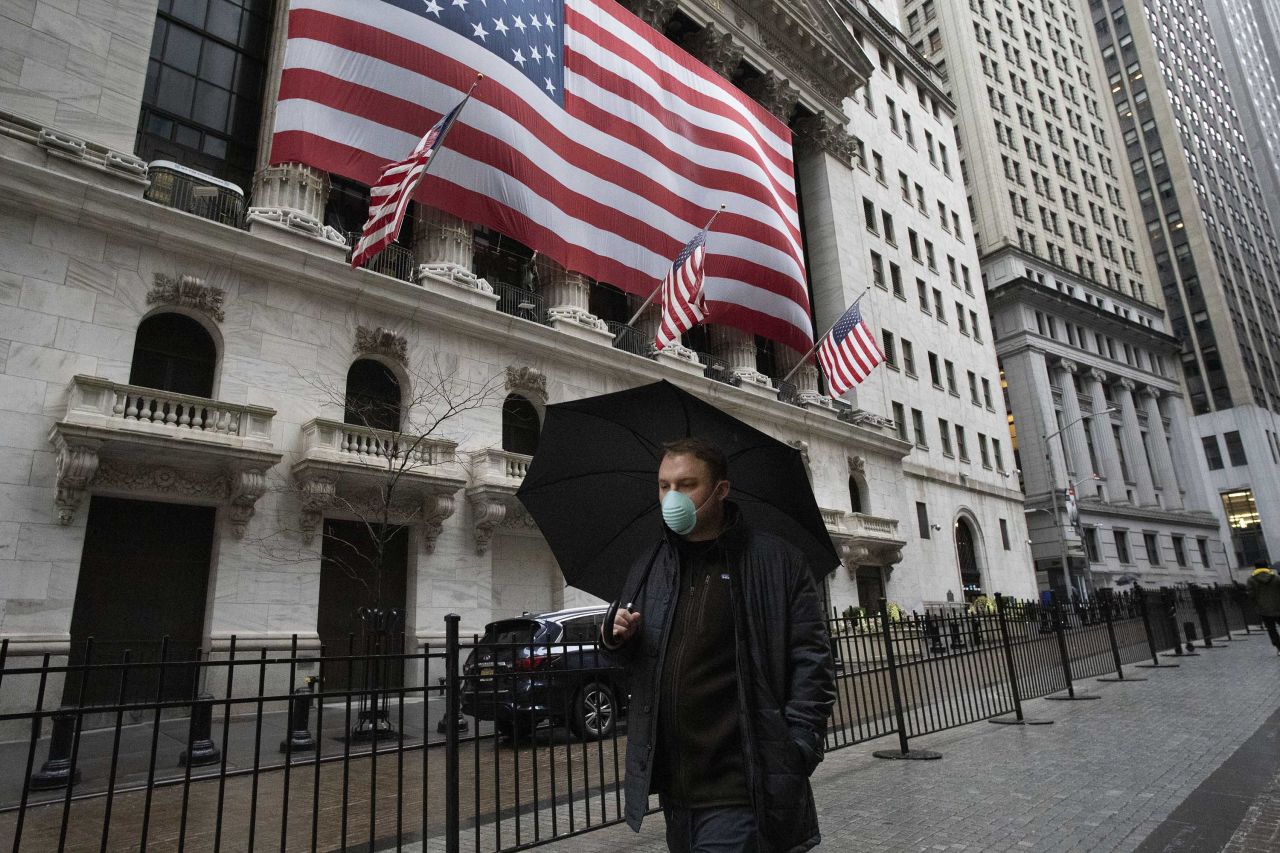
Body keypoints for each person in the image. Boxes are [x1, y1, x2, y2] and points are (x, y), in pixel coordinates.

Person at [601, 437, 836, 853]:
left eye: (686, 484)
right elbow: (643, 661)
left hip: (741, 790)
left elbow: (812, 664)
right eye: (664, 485)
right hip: (677, 792)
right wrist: (617, 638)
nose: (671, 497)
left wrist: (796, 749)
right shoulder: (651, 564)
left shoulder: (777, 562)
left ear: (720, 490)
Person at [1246, 559, 1280, 654]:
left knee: (1271, 629)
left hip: (1263, 609)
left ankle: (1279, 646)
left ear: (1256, 568)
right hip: (1278, 607)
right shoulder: (1276, 578)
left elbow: (1250, 595)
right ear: (1266, 567)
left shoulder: (1251, 580)